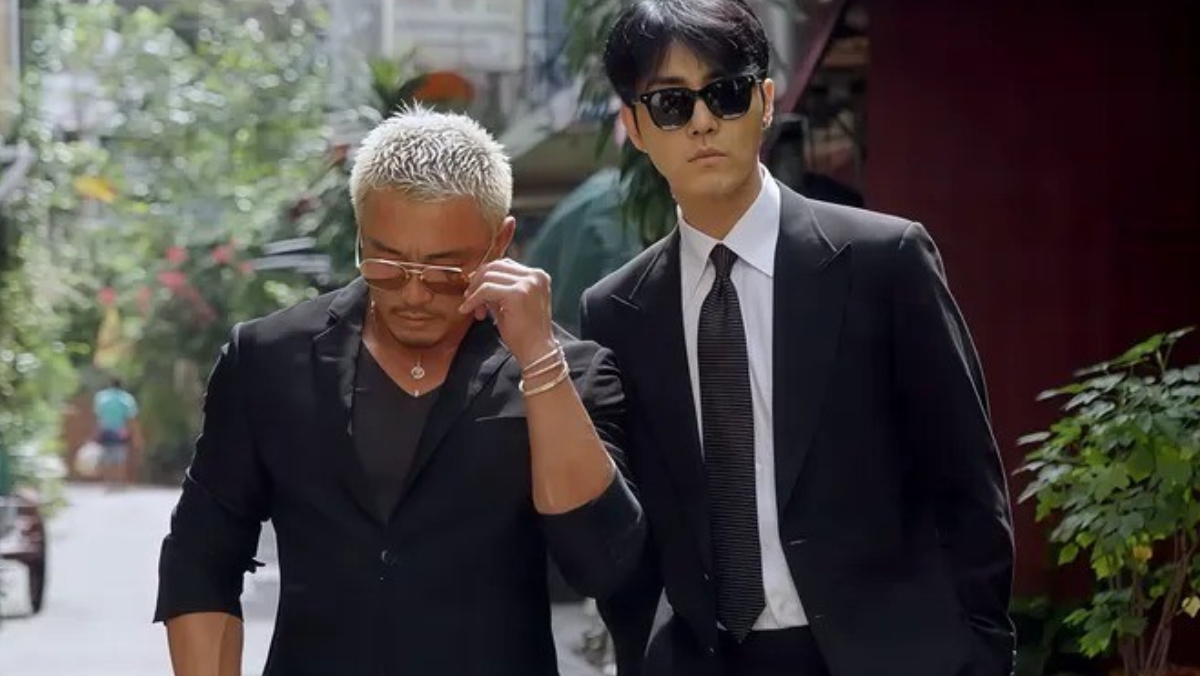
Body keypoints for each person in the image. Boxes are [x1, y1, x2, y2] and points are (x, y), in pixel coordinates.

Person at [581, 2, 1016, 675]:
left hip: (887, 656)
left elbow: (967, 481)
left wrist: (981, 651)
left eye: (725, 94)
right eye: (670, 103)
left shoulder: (884, 261)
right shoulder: (617, 311)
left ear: (764, 103)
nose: (702, 122)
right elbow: (631, 522)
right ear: (635, 127)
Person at [155, 107, 645, 676]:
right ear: (360, 233)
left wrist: (538, 361)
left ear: (500, 242)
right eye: (386, 264)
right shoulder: (268, 359)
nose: (414, 294)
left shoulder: (569, 372)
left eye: (444, 272)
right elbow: (202, 556)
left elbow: (602, 564)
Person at [93, 377, 141, 489]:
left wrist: (95, 432)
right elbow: (132, 418)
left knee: (107, 456)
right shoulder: (126, 398)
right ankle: (120, 482)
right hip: (120, 431)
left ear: (110, 384)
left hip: (105, 430)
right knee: (120, 457)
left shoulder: (101, 397)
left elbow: (98, 417)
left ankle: (108, 481)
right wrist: (136, 435)